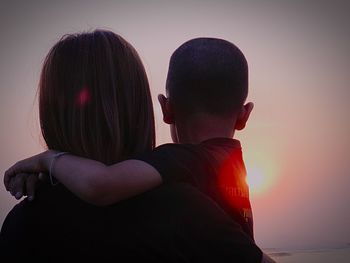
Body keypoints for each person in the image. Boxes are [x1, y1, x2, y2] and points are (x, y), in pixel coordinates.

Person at [0, 30, 264, 262]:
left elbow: (100, 185)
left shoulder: (20, 223)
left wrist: (50, 161)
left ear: (166, 108)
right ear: (244, 114)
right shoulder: (190, 207)